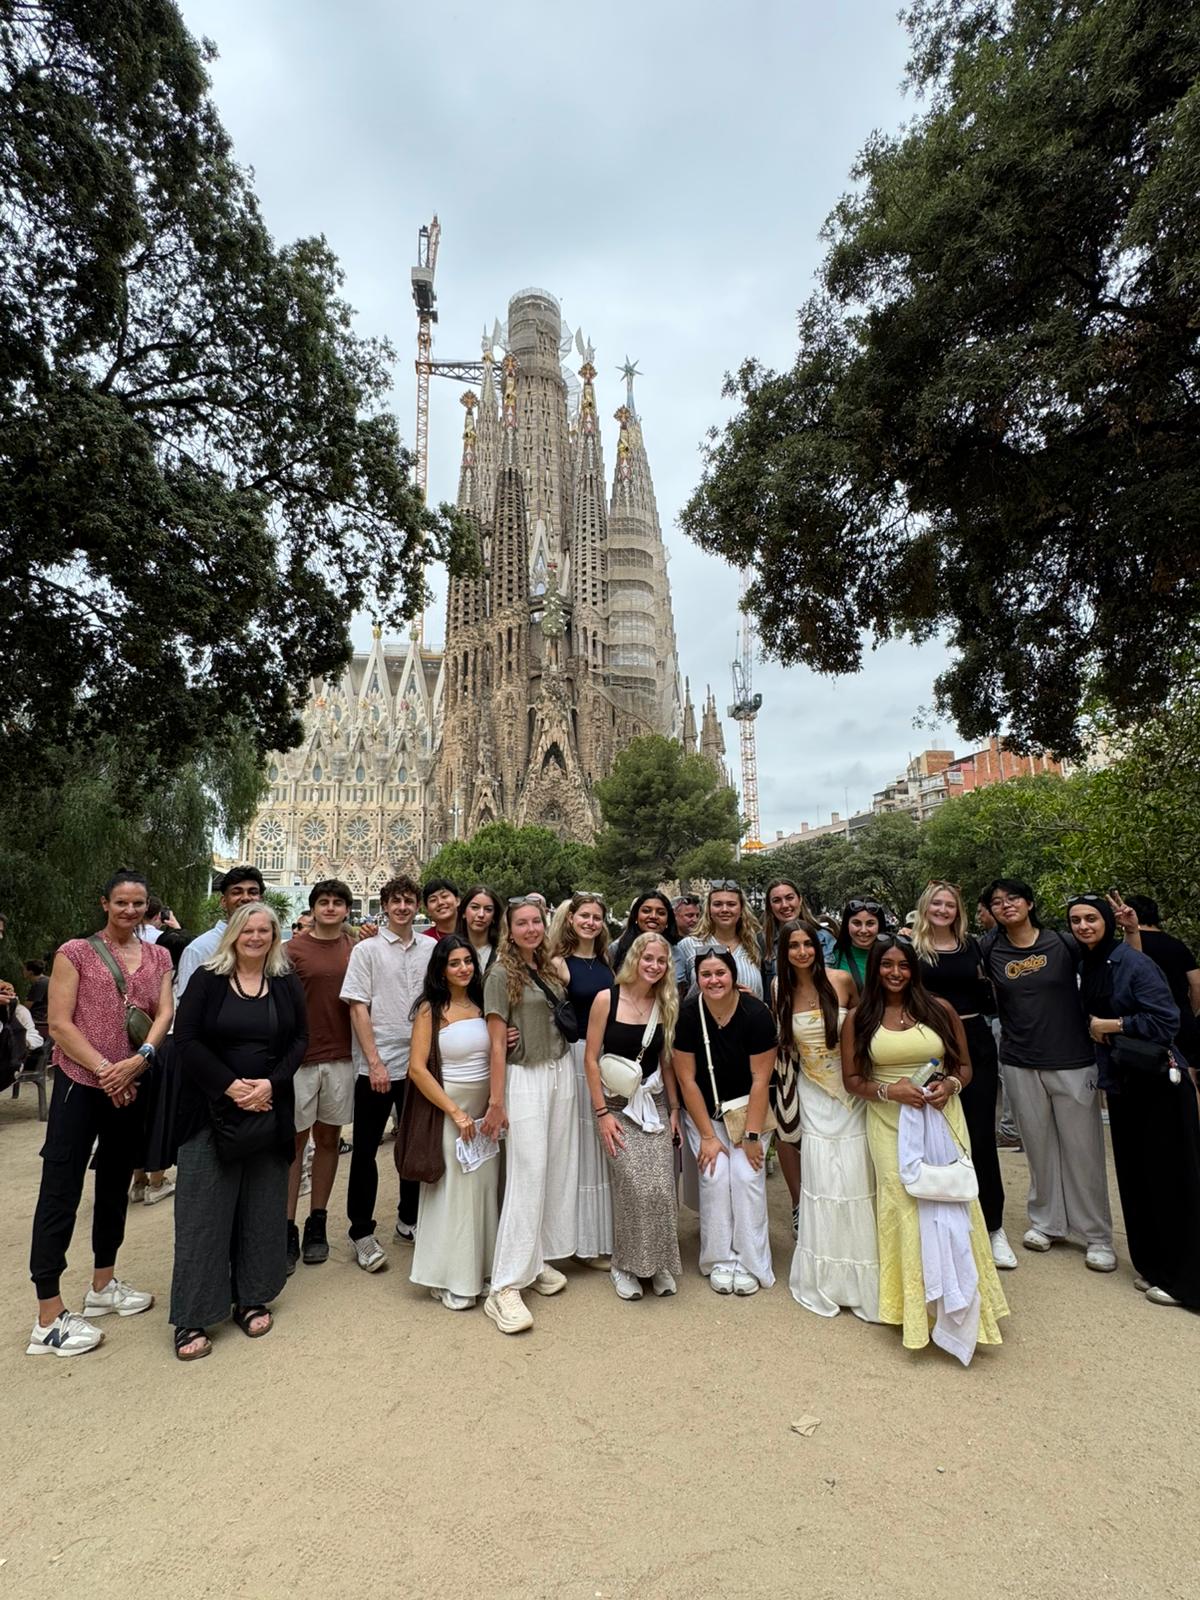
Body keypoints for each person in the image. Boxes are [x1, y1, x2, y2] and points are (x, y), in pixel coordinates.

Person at [27, 871, 174, 1357]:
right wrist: (108, 1070)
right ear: (104, 903)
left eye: (138, 904)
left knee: (113, 1184)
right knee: (61, 1188)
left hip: (132, 1080)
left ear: (147, 907)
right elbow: (60, 1024)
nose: (129, 911)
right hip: (82, 1082)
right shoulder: (75, 952)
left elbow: (163, 1014)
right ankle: (48, 1313)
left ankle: (102, 1284)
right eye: (120, 903)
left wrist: (139, 1062)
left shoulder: (159, 956)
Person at [842, 938, 1009, 1359]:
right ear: (874, 969)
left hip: (942, 1117)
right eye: (886, 965)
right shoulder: (861, 1018)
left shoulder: (940, 1009)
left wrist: (950, 1085)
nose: (895, 973)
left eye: (903, 965)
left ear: (914, 969)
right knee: (904, 1209)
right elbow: (852, 1080)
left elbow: (964, 1067)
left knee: (952, 1207)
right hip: (888, 1122)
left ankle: (963, 1306)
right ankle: (915, 1311)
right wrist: (888, 1090)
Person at [170, 903, 307, 1359]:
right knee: (204, 1212)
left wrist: (270, 1084)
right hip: (211, 1110)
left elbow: (299, 1040)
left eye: (264, 930)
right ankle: (193, 1313)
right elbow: (186, 1039)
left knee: (262, 1208)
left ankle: (251, 1297)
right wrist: (230, 1086)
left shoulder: (285, 982)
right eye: (247, 929)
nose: (255, 937)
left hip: (267, 1108)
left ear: (274, 935)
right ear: (233, 933)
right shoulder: (208, 979)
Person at [980, 878, 1123, 1271]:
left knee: (1084, 1151)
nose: (1006, 905)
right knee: (1039, 1149)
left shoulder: (1064, 942)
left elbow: (1117, 967)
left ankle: (1096, 1235)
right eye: (996, 902)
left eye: (1013, 899)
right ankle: (1047, 1223)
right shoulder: (990, 948)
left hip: (1073, 1059)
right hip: (1019, 1060)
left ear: (1029, 903)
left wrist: (1127, 930)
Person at [1067, 895, 1200, 1309]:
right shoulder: (1091, 963)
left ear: (1105, 921)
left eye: (1091, 918)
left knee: (1170, 1180)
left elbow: (1166, 1020)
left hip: (1158, 1085)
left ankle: (1187, 1282)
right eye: (1076, 920)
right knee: (1138, 1178)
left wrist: (1114, 1025)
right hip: (1123, 1084)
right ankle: (1155, 1267)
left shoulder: (1133, 963)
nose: (1084, 926)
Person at [480, 897, 578, 1334]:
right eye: (522, 923)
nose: (531, 928)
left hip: (559, 1072)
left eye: (537, 921)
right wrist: (496, 1102)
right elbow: (497, 1043)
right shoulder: (500, 974)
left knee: (553, 1170)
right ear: (510, 928)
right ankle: (504, 1286)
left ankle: (533, 1260)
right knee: (528, 1174)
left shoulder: (551, 967)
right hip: (525, 1079)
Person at [774, 921, 877, 1320]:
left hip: (852, 1093)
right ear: (784, 952)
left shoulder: (843, 980)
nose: (802, 952)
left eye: (808, 944)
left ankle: (863, 1270)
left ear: (819, 947)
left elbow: (870, 1024)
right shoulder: (779, 989)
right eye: (793, 946)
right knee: (822, 1180)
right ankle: (827, 1274)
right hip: (812, 1092)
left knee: (855, 1177)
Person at [910, 882, 1016, 1271]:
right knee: (931, 1137)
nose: (942, 909)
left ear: (959, 910)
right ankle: (939, 1222)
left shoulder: (975, 947)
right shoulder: (911, 948)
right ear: (925, 907)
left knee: (980, 1137)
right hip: (925, 1047)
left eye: (949, 904)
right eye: (935, 903)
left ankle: (993, 1227)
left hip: (974, 1042)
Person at [339, 875, 433, 1271]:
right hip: (378, 1065)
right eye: (395, 901)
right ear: (385, 905)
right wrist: (374, 1062)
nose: (402, 907)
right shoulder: (367, 950)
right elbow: (357, 1006)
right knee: (365, 1150)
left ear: (416, 906)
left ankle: (409, 1220)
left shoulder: (430, 947)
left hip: (419, 1064)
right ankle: (361, 1231)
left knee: (414, 1143)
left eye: (409, 900)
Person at [672, 946, 777, 1294]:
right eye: (706, 975)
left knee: (747, 1176)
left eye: (720, 973)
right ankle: (718, 1258)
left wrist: (751, 1136)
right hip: (707, 1113)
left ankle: (751, 1260)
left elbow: (761, 1079)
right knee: (715, 1175)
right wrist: (706, 1136)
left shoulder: (756, 1012)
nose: (714, 980)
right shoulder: (688, 1015)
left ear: (733, 975)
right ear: (698, 979)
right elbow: (686, 1079)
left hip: (750, 1111)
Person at [584, 931, 682, 1300]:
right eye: (648, 959)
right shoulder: (606, 999)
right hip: (614, 1107)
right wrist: (601, 1114)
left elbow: (667, 1062)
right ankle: (625, 1265)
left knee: (660, 1186)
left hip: (653, 1106)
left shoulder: (666, 1001)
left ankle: (656, 1265)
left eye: (661, 961)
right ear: (635, 959)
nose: (654, 966)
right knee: (634, 1186)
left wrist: (673, 1110)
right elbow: (590, 1059)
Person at [406, 936, 498, 1309]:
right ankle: (448, 1275)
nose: (463, 969)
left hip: (484, 1113)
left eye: (468, 962)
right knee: (452, 1194)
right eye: (454, 963)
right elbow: (416, 1068)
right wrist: (455, 1112)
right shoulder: (431, 1009)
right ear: (441, 970)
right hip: (448, 1110)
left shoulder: (482, 1006)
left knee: (485, 1189)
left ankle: (485, 1268)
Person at [284, 879, 357, 1272]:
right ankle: (286, 1227)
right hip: (301, 1059)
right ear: (313, 909)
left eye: (337, 903)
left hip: (342, 1056)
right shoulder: (289, 951)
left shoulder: (357, 948)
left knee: (329, 1138)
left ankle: (318, 1221)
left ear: (347, 909)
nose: (330, 908)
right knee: (294, 1144)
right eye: (323, 902)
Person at [549, 891, 614, 1268]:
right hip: (576, 1056)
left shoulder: (607, 961)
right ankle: (582, 1242)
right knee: (582, 1145)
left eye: (596, 917)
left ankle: (599, 1234)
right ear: (571, 920)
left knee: (601, 1145)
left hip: (607, 1056)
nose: (591, 922)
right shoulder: (560, 963)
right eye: (584, 916)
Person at [1124, 895, 1200, 1069]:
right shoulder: (1177, 945)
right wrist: (1190, 1012)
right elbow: (1196, 983)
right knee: (1188, 1075)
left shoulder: (1126, 947)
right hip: (1181, 1018)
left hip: (1147, 1022)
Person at [175, 866, 266, 998]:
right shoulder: (200, 949)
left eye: (252, 892)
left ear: (261, 900)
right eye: (237, 892)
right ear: (224, 902)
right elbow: (186, 1004)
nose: (246, 898)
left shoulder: (268, 945)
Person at [676, 883, 765, 998]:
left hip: (750, 1014)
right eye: (717, 904)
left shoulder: (754, 945)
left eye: (731, 904)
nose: (724, 909)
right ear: (709, 909)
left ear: (741, 909)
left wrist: (754, 1001)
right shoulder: (688, 945)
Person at [608, 892, 680, 976]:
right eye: (646, 911)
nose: (653, 916)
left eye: (661, 913)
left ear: (668, 920)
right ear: (636, 916)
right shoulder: (617, 948)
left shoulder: (675, 952)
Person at [829, 898, 886, 991]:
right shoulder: (833, 957)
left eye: (870, 924)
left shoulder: (893, 954)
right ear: (847, 925)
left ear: (880, 925)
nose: (863, 930)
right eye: (857, 923)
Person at [457, 883, 502, 974]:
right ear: (463, 912)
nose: (481, 914)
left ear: (494, 916)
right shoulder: (450, 950)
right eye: (475, 907)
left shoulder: (503, 954)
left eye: (488, 909)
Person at [22, 959, 49, 1031]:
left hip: (38, 1018)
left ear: (30, 972)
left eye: (24, 969)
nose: (23, 972)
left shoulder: (39, 984)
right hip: (44, 1016)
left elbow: (27, 1006)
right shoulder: (47, 980)